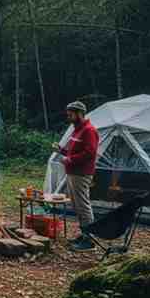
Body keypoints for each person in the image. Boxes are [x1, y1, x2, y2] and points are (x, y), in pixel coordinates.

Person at [52, 100, 100, 252]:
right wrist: (62, 151)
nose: (68, 117)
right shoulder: (77, 130)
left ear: (80, 113)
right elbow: (75, 151)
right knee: (77, 205)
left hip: (81, 173)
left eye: (71, 114)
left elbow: (90, 153)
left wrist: (69, 160)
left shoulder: (89, 130)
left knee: (83, 205)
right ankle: (84, 233)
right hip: (73, 173)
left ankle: (90, 240)